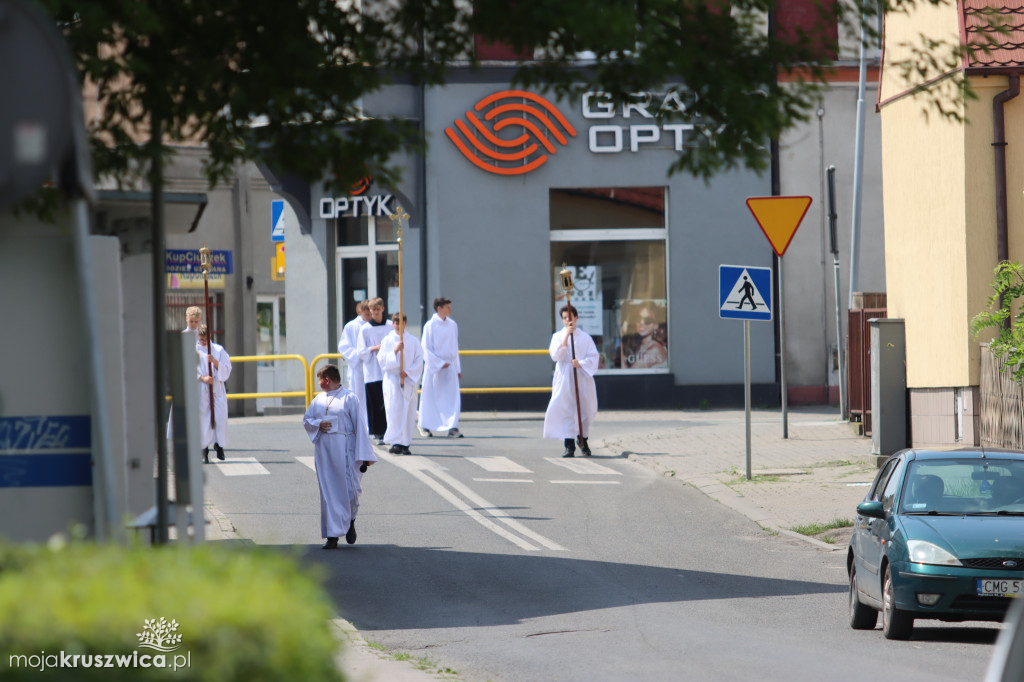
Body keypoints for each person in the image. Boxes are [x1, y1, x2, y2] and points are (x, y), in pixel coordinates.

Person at [302, 364, 377, 549]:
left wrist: (365, 455)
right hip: (324, 451)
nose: (319, 384)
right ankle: (332, 536)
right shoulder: (318, 399)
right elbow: (306, 420)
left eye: (320, 380)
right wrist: (318, 424)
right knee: (329, 492)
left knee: (351, 492)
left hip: (346, 449)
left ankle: (350, 520)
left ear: (327, 379)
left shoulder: (349, 398)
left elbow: (360, 426)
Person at [543, 304, 599, 457]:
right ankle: (569, 446)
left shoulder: (586, 338)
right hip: (565, 376)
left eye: (570, 317)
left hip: (582, 376)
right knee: (566, 408)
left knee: (586, 410)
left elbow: (594, 357)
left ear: (576, 317)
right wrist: (566, 336)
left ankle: (583, 440)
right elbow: (555, 356)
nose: (567, 320)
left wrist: (580, 363)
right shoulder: (557, 337)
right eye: (564, 318)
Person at [378, 313, 424, 455]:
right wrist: (395, 350)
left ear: (406, 324)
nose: (398, 326)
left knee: (409, 411)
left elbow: (419, 360)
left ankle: (406, 442)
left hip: (408, 381)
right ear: (393, 324)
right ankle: (395, 442)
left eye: (401, 323)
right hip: (393, 380)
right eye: (396, 323)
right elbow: (382, 359)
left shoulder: (413, 341)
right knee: (394, 410)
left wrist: (408, 372)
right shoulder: (387, 340)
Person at [418, 297, 463, 438]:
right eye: (447, 307)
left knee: (452, 398)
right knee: (430, 397)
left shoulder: (452, 325)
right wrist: (438, 363)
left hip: (450, 367)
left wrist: (458, 368)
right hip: (434, 368)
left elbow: (454, 348)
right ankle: (424, 425)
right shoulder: (429, 326)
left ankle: (452, 427)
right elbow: (425, 348)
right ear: (439, 308)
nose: (450, 309)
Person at [357, 298, 393, 445]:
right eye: (373, 310)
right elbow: (360, 351)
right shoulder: (365, 329)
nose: (376, 312)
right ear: (370, 311)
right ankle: (377, 431)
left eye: (378, 309)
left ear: (383, 309)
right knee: (375, 401)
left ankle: (389, 430)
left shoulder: (390, 326)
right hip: (372, 370)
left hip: (388, 369)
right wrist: (374, 348)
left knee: (388, 401)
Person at [167, 306, 205, 441]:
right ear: (186, 319)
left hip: (201, 378)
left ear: (200, 321)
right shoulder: (182, 335)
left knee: (200, 408)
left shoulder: (203, 337)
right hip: (185, 376)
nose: (193, 324)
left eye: (196, 321)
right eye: (191, 321)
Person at [197, 324, 232, 463]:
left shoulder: (218, 349)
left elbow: (227, 367)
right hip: (201, 388)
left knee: (220, 417)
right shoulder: (195, 350)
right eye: (201, 339)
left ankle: (219, 445)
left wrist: (215, 362)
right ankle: (203, 450)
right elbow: (189, 368)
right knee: (204, 420)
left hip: (217, 388)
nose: (203, 342)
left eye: (205, 339)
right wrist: (203, 378)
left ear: (210, 336)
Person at [338, 300, 372, 415]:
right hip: (358, 368)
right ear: (360, 312)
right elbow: (344, 346)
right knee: (359, 398)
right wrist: (360, 355)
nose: (369, 317)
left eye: (370, 314)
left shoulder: (373, 326)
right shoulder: (351, 326)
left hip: (372, 367)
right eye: (367, 314)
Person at [626, 302, 668, 369]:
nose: (642, 323)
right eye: (638, 318)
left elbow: (632, 373)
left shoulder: (655, 349)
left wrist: (621, 335)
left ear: (656, 325)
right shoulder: (641, 345)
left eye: (647, 320)